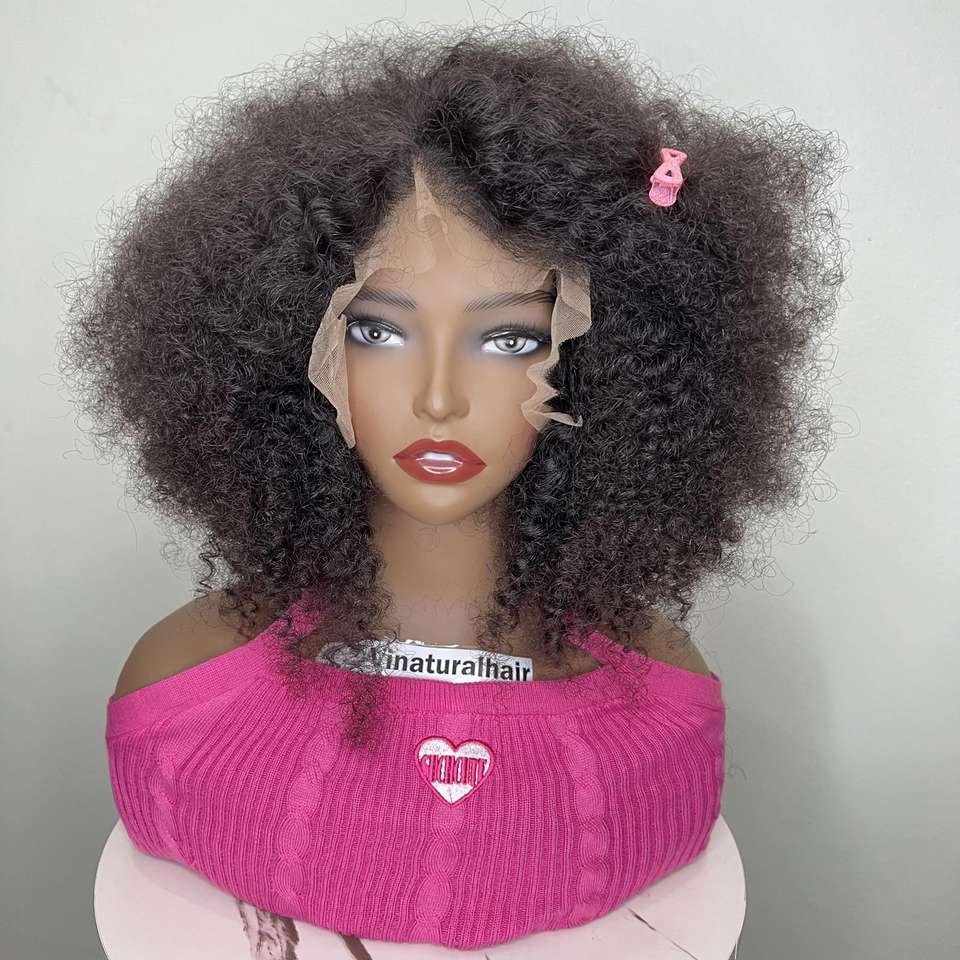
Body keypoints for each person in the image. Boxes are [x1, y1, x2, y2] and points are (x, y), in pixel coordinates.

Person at [60, 20, 845, 951]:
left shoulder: (661, 722)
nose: (439, 400)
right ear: (293, 341)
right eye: (379, 332)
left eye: (508, 339)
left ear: (601, 359)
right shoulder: (183, 703)